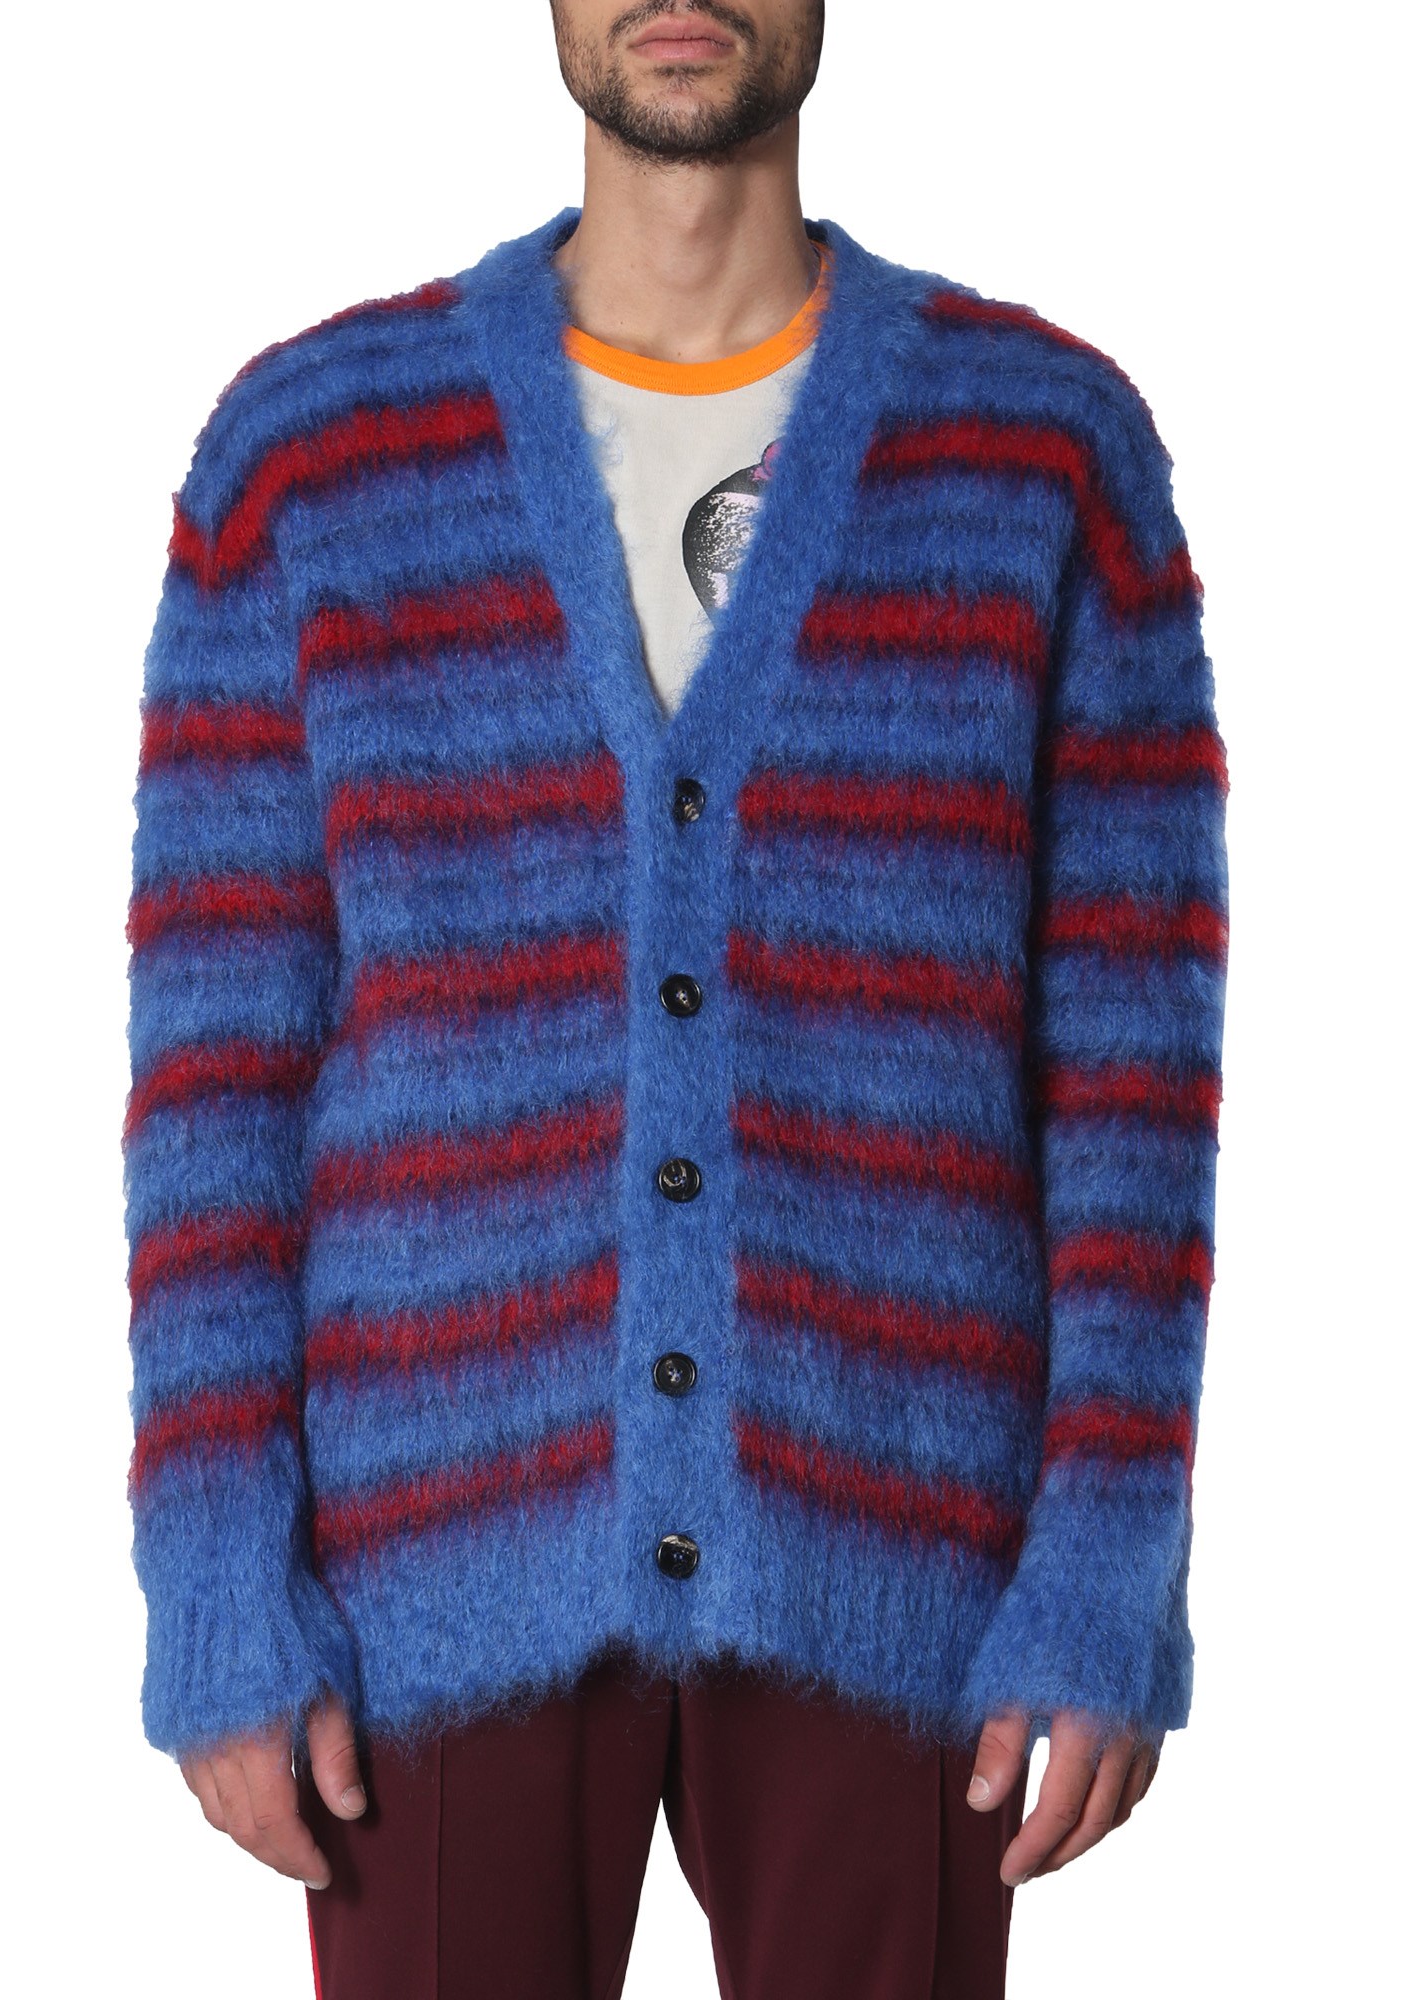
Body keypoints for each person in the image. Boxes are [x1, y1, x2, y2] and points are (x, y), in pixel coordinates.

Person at [122, 4, 1229, 1994]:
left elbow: (1135, 1076)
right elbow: (217, 1077)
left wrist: (1109, 1558)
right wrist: (218, 1574)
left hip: (900, 1542)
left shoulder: (1043, 453)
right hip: (430, 1554)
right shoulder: (312, 459)